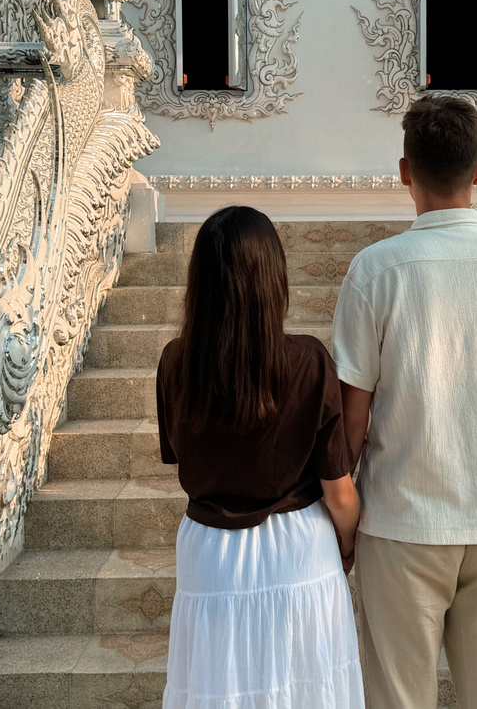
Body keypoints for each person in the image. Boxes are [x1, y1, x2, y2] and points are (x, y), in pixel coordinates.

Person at [333, 95, 477, 709]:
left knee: (396, 699)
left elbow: (351, 418)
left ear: (405, 170)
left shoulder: (376, 271)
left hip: (402, 521)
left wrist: (347, 513)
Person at [156, 205, 364, 709]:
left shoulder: (176, 363)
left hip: (210, 554)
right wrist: (349, 542)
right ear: (275, 279)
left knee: (216, 688)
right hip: (298, 551)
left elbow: (182, 456)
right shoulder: (309, 361)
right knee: (307, 691)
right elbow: (339, 491)